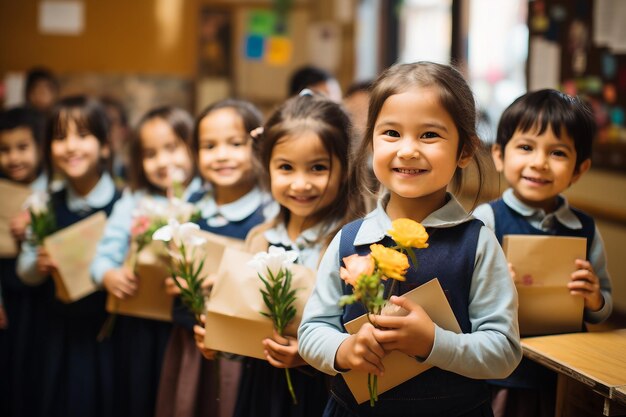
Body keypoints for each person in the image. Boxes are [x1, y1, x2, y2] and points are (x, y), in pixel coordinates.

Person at [298, 62, 522, 417]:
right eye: (391, 133)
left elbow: (504, 353)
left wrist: (433, 342)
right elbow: (312, 331)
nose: (407, 150)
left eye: (429, 135)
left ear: (465, 151)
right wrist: (346, 350)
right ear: (371, 139)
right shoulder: (350, 240)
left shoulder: (477, 244)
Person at [194, 91, 365, 417]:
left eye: (318, 168)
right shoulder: (259, 238)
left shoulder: (348, 244)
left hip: (324, 392)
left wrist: (309, 353)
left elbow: (360, 331)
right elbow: (249, 323)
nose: (300, 184)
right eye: (286, 167)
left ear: (345, 168)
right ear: (267, 167)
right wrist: (219, 340)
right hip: (262, 388)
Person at [472, 89, 613, 417]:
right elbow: (462, 299)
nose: (539, 162)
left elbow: (602, 309)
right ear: (499, 155)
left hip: (567, 370)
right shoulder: (487, 220)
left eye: (558, 153)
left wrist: (594, 299)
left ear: (579, 169)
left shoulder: (584, 229)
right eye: (525, 147)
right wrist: (489, 286)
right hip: (504, 371)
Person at [154, 99, 272, 417]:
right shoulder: (190, 205)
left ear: (259, 146)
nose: (221, 155)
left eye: (235, 144)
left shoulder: (269, 213)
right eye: (209, 146)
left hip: (240, 349)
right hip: (189, 341)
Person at [90, 106, 200, 417]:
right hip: (140, 326)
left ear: (192, 148)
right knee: (140, 395)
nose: (163, 162)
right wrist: (108, 274)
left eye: (172, 148)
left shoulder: (206, 198)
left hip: (187, 329)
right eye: (151, 154)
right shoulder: (134, 202)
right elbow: (103, 255)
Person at [16, 96, 121, 417]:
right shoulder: (44, 203)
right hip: (58, 334)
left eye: (83, 135)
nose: (71, 146)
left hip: (110, 335)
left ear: (105, 146)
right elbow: (25, 269)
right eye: (60, 138)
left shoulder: (125, 203)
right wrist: (39, 264)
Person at [0, 106, 47, 417]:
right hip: (7, 292)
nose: (13, 158)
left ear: (40, 148)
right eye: (4, 149)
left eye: (22, 147)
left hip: (43, 298)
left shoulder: (52, 191)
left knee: (38, 367)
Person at [100, 96, 130, 185]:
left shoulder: (133, 171)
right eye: (101, 123)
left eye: (111, 123)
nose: (106, 130)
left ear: (125, 130)